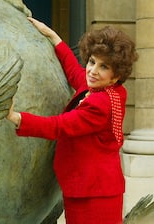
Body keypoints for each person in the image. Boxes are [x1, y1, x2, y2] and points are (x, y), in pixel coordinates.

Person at [7, 17, 138, 224]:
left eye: (104, 67)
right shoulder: (108, 90)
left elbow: (59, 126)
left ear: (116, 75)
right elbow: (76, 73)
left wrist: (17, 118)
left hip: (91, 193)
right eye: (92, 61)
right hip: (94, 187)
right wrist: (55, 38)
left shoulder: (99, 105)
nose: (93, 70)